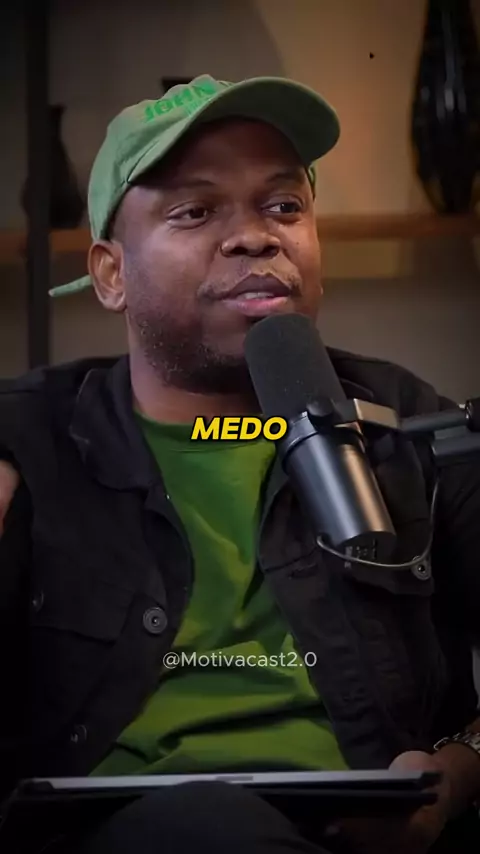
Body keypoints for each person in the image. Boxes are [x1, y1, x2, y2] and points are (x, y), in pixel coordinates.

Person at [0, 74, 479, 854]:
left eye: (284, 206)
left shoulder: (408, 422)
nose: (256, 237)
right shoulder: (26, 439)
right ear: (112, 274)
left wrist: (452, 780)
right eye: (195, 211)